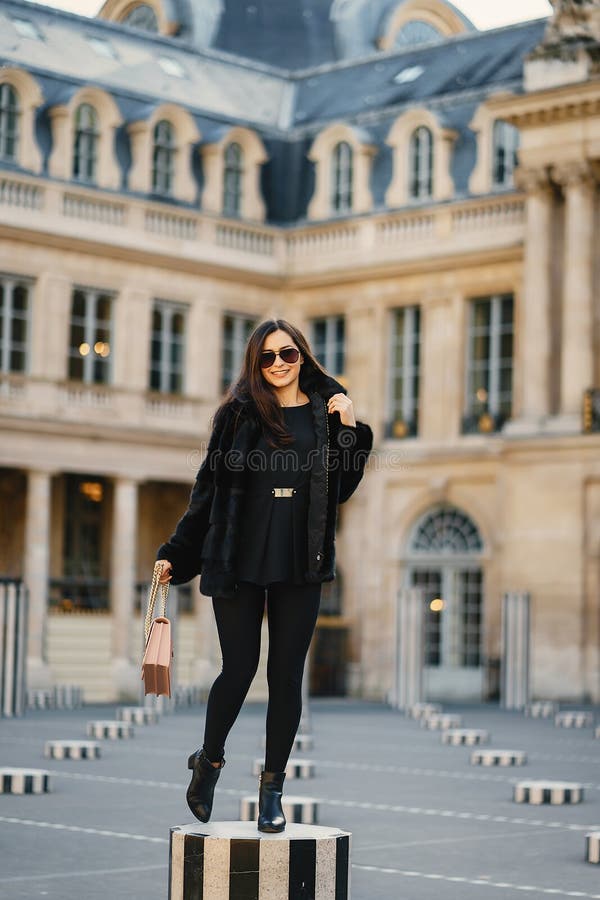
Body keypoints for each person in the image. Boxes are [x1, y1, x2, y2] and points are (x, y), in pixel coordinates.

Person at [155, 317, 373, 832]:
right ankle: (208, 763)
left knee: (286, 677)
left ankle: (272, 788)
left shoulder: (325, 415)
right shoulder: (237, 415)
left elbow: (340, 490)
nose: (278, 364)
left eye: (288, 354)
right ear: (256, 363)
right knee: (239, 669)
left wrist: (350, 431)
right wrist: (177, 551)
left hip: (301, 559)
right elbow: (207, 491)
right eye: (267, 357)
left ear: (303, 357)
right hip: (240, 555)